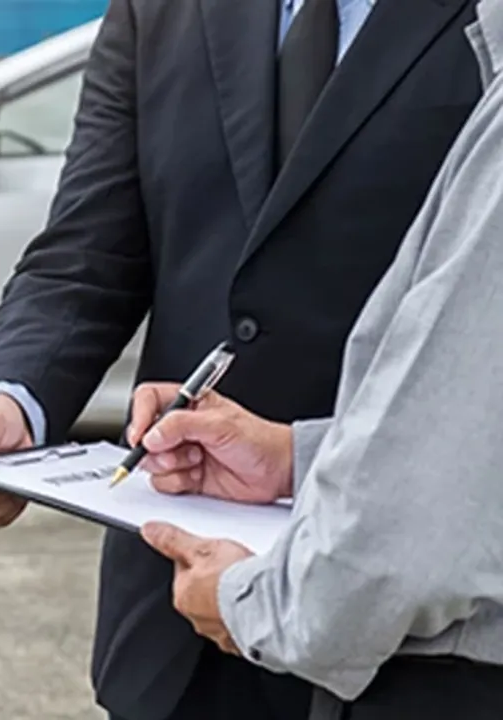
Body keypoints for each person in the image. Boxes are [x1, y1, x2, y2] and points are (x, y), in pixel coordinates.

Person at [0, 0, 483, 718]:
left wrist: (300, 455)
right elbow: (88, 246)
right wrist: (12, 400)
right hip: (177, 615)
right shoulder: (160, 9)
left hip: (408, 631)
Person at [126, 7, 503, 707]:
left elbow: (416, 533)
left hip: (431, 671)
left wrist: (261, 608)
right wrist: (296, 457)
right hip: (183, 644)